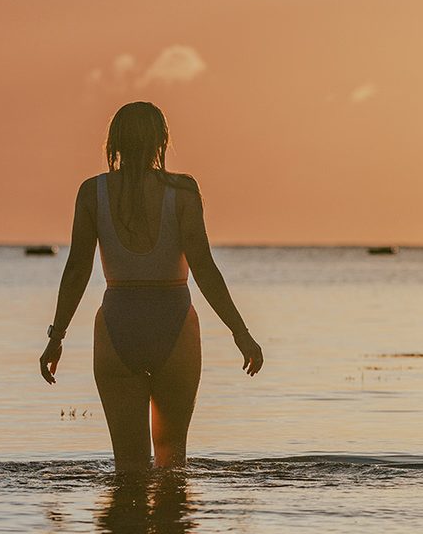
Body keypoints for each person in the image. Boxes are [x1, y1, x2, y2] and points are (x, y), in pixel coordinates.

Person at [39, 102, 262, 472]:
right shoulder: (183, 190)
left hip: (116, 325)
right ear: (162, 141)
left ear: (114, 143)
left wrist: (56, 336)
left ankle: (124, 526)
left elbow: (77, 269)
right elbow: (204, 268)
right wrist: (241, 333)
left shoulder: (92, 193)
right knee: (172, 467)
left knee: (128, 469)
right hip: (174, 323)